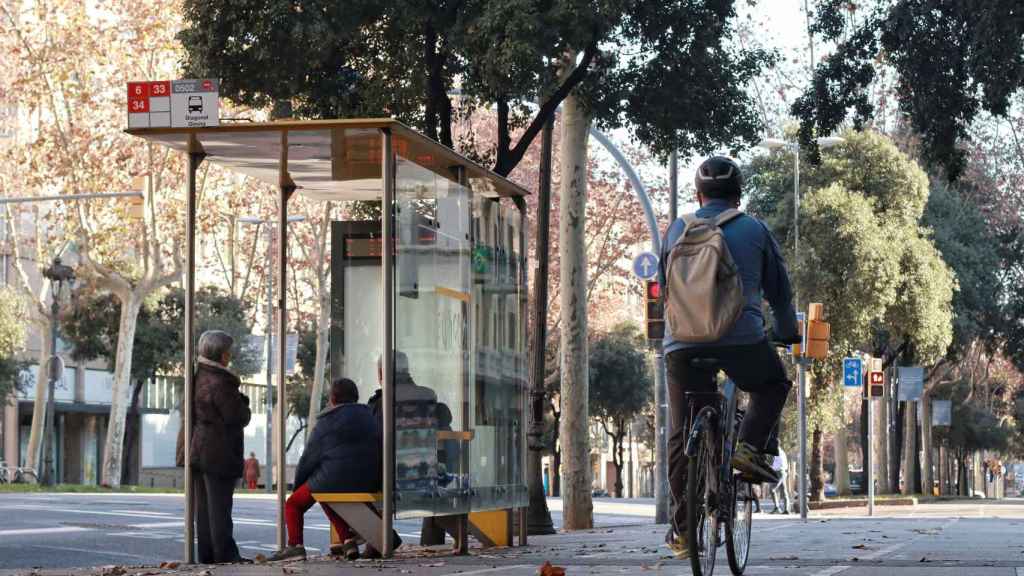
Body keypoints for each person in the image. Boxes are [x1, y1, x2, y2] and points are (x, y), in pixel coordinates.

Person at [659, 156, 800, 558]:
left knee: (680, 429)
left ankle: (682, 532)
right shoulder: (754, 229)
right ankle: (749, 448)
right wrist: (787, 332)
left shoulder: (676, 230)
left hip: (683, 344)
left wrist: (669, 337)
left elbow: (662, 287)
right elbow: (780, 292)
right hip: (741, 340)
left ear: (697, 195)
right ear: (738, 196)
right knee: (772, 384)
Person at [270, 378, 383, 561]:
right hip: (368, 479)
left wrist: (299, 484)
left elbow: (308, 459)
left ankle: (295, 546)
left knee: (294, 503)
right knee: (323, 492)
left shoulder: (326, 422)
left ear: (332, 398)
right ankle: (347, 541)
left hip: (334, 480)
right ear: (356, 397)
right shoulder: (371, 417)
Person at [187, 330, 252, 564]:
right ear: (221, 354)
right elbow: (236, 416)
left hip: (199, 448)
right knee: (220, 508)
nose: (230, 356)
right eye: (228, 352)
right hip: (219, 451)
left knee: (204, 511)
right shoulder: (221, 381)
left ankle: (207, 555)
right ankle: (225, 555)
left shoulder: (198, 376)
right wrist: (245, 403)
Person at [770, 447, 791, 514]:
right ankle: (787, 509)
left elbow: (778, 465)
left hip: (779, 472)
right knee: (784, 491)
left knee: (772, 489)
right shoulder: (782, 452)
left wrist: (771, 468)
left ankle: (777, 507)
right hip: (783, 472)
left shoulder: (777, 451)